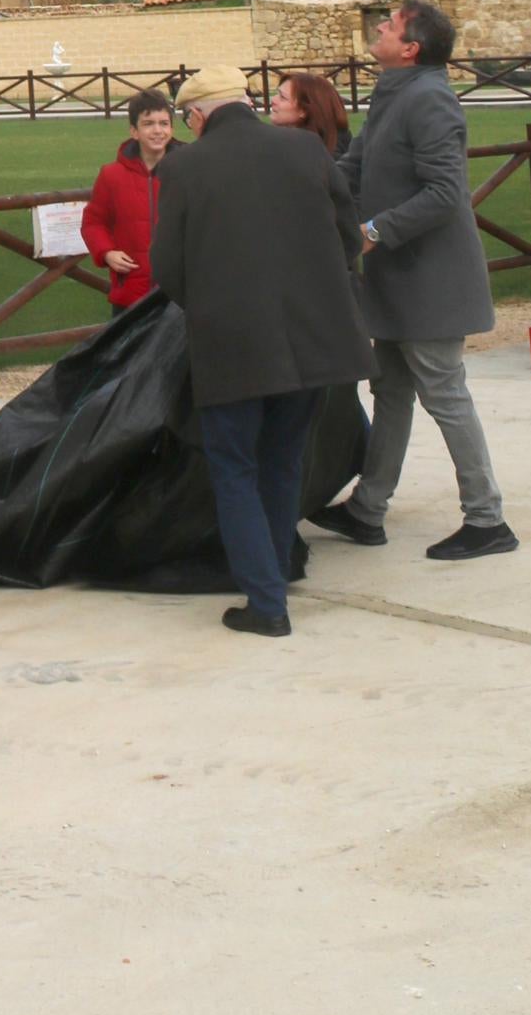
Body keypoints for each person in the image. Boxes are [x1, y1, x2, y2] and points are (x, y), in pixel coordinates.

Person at [150, 65, 370, 637]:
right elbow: (348, 236)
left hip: (233, 342)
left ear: (197, 116)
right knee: (282, 461)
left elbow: (168, 266)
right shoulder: (305, 149)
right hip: (312, 338)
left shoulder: (184, 165)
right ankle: (273, 574)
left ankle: (266, 601)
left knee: (235, 469)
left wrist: (209, 305)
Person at [313, 0, 517, 561]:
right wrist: (298, 180)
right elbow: (355, 168)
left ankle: (487, 519)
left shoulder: (429, 99)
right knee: (392, 392)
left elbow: (446, 193)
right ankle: (367, 510)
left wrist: (375, 229)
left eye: (392, 24)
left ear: (410, 48)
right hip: (399, 282)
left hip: (432, 284)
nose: (379, 26)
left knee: (444, 395)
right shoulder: (393, 93)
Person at [80, 88, 176, 307]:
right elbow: (93, 222)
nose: (157, 130)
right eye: (148, 124)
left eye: (164, 123)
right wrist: (106, 252)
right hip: (131, 293)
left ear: (171, 128)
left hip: (178, 295)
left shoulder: (187, 172)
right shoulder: (112, 175)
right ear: (134, 131)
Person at [270, 71, 350, 157]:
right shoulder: (285, 142)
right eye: (277, 93)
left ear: (304, 110)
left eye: (282, 97)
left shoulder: (326, 156)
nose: (273, 100)